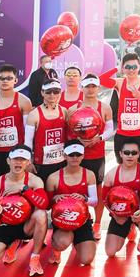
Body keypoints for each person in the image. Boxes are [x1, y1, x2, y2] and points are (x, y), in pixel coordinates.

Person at [0, 146, 49, 277]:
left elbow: (43, 204)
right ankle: (12, 243)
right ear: (8, 161)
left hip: (26, 227)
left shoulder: (34, 180)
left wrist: (24, 189)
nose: (19, 162)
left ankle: (35, 258)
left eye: (23, 159)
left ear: (28, 162)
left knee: (41, 215)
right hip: (5, 227)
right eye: (16, 159)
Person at [68, 73, 114, 240]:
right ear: (82, 88)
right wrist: (78, 138)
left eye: (93, 86)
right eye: (87, 86)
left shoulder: (105, 107)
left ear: (99, 88)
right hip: (78, 156)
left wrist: (98, 138)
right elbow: (70, 131)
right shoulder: (74, 109)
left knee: (98, 190)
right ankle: (80, 219)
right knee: (78, 189)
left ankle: (97, 224)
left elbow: (110, 129)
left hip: (97, 154)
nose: (90, 89)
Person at [45, 141, 98, 265]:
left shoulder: (89, 175)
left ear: (83, 156)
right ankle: (56, 249)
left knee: (87, 260)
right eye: (71, 155)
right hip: (63, 220)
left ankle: (79, 241)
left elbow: (94, 202)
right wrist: (55, 198)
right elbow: (46, 205)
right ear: (65, 156)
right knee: (62, 242)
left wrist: (84, 198)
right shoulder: (54, 177)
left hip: (83, 221)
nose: (75, 158)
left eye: (78, 154)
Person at [102, 139, 140, 259]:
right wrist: (114, 214)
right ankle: (130, 230)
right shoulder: (111, 175)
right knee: (110, 252)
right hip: (120, 213)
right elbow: (105, 200)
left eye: (134, 153)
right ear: (120, 154)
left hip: (138, 211)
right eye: (126, 152)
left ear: (139, 154)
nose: (130, 155)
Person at [0, 64, 33, 180]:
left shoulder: (24, 101)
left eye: (9, 78)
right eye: (2, 78)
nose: (5, 81)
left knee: (17, 184)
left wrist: (28, 155)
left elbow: (28, 131)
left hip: (17, 152)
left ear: (15, 80)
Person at [112, 53, 140, 164]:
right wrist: (116, 68)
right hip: (122, 134)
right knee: (123, 167)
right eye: (127, 67)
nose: (131, 70)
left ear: (139, 67)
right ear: (123, 68)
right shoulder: (119, 82)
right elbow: (101, 80)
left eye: (134, 67)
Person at [25, 79, 68, 183]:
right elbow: (28, 142)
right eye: (48, 92)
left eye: (56, 91)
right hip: (42, 164)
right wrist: (28, 162)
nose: (52, 95)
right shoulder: (34, 114)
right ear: (42, 93)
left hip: (61, 161)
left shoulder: (64, 111)